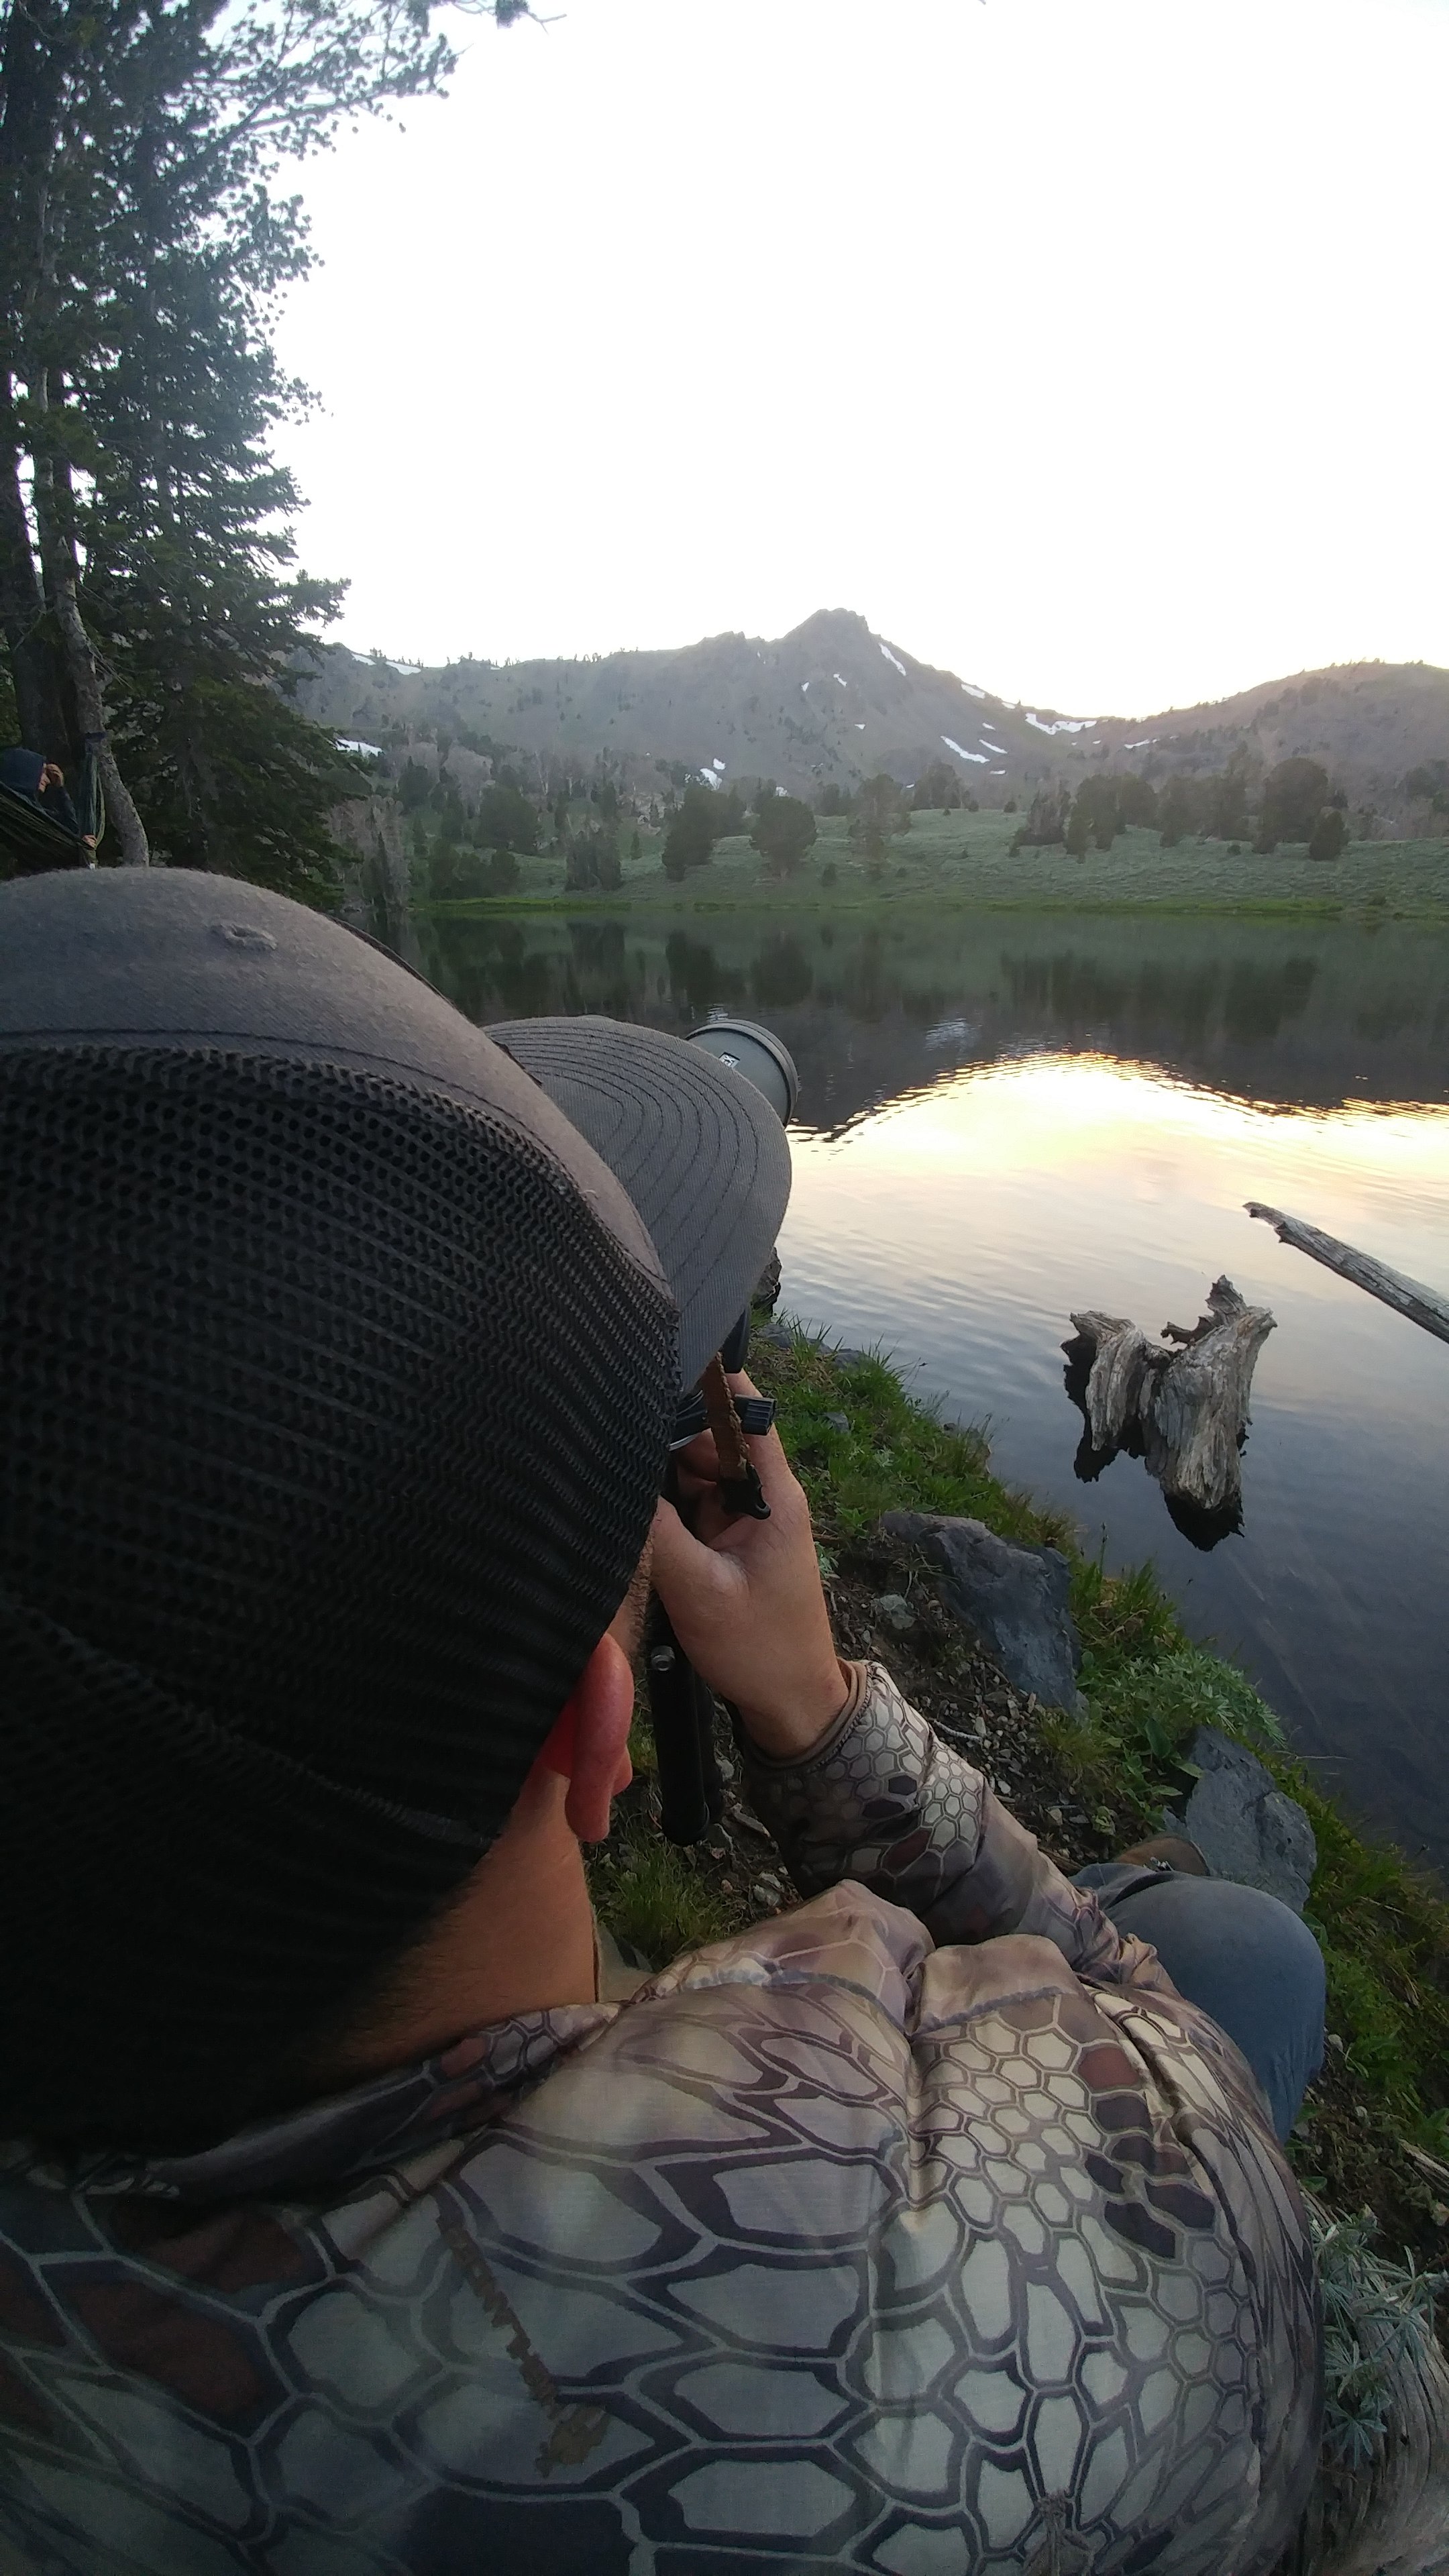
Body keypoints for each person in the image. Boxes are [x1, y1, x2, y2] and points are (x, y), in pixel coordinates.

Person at [0, 868, 1323, 2575]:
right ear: (595, 1729)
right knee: (1243, 1954)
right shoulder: (996, 2267)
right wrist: (815, 1709)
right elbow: (1175, 2064)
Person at [0, 745, 95, 853]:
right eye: (43, 773)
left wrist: (60, 789)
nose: (48, 780)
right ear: (26, 771)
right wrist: (79, 848)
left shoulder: (32, 808)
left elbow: (71, 827)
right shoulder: (20, 811)